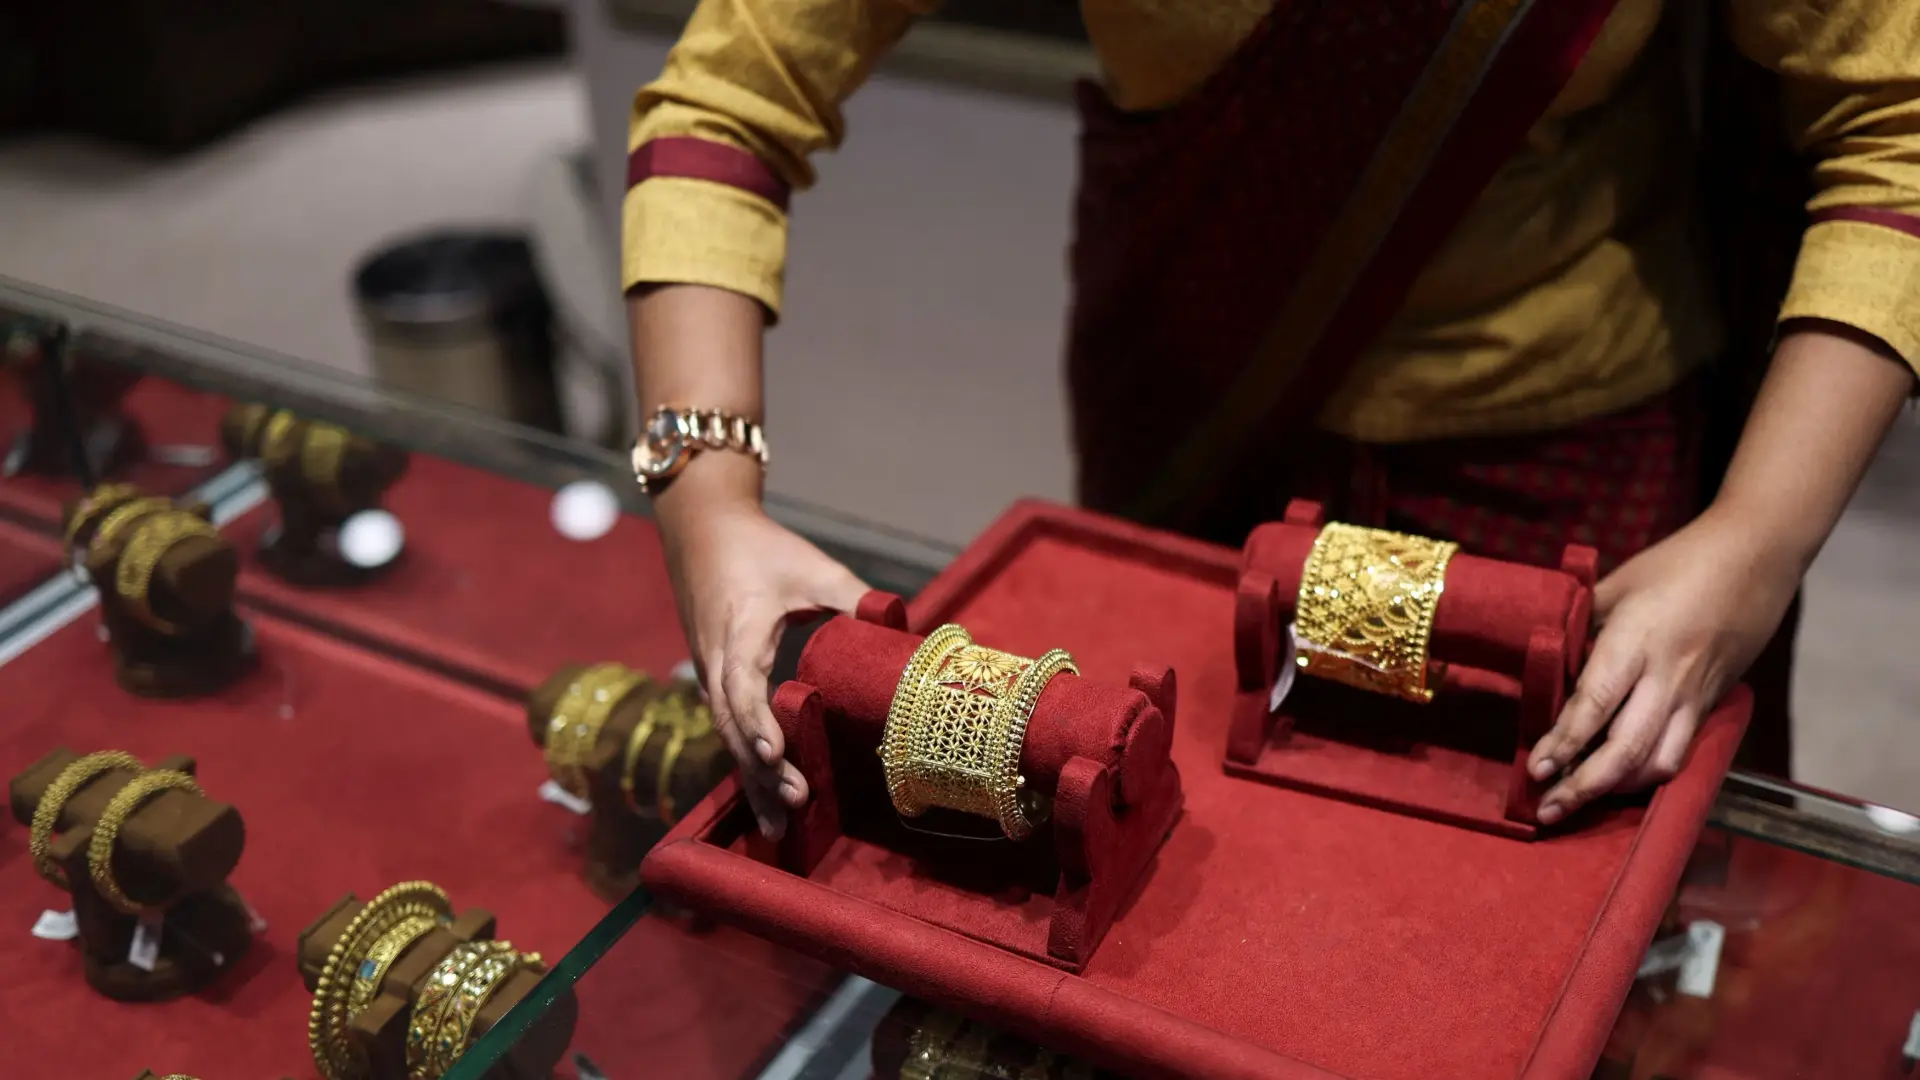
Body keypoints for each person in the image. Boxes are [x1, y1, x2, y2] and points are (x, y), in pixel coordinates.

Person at [623, 0, 1920, 840]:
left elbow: (1898, 126)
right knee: (1167, 870)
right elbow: (728, 99)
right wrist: (706, 502)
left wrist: (1756, 541)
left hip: (1567, 451)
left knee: (1557, 928)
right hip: (1200, 421)